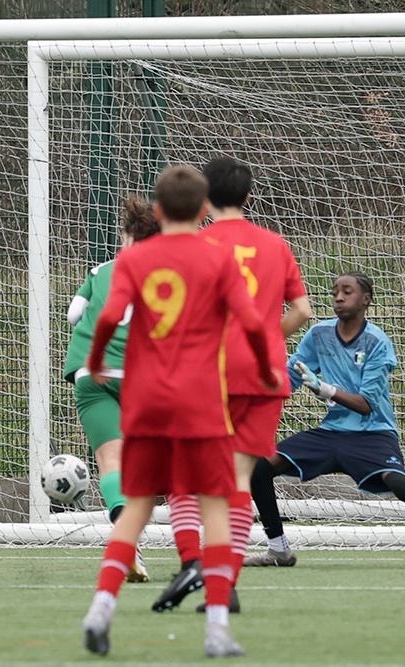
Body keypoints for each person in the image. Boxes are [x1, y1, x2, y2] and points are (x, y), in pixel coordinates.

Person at [80, 165, 281, 659]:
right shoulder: (216, 259)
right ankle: (215, 630)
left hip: (147, 403)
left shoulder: (134, 260)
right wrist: (265, 368)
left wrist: (96, 358)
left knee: (138, 510)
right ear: (202, 209)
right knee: (215, 505)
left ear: (160, 210)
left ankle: (100, 611)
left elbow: (107, 316)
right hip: (200, 403)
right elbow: (254, 322)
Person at [245, 271, 405, 570]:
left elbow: (366, 405)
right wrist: (255, 391)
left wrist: (325, 389)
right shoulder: (319, 334)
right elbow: (289, 378)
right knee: (258, 469)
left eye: (347, 291)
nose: (338, 297)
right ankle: (279, 551)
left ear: (366, 299)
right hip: (332, 433)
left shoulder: (377, 342)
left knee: (401, 486)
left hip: (373, 435)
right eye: (335, 291)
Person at [152, 156, 311, 614]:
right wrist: (261, 336)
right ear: (247, 197)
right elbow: (301, 310)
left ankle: (192, 563)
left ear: (204, 198)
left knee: (185, 476)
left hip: (207, 374)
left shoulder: (195, 244)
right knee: (239, 479)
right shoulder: (274, 244)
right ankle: (228, 581)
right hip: (262, 375)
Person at [62, 196, 160, 584]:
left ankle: (124, 538)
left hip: (91, 371)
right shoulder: (169, 273)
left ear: (127, 236)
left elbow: (73, 315)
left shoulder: (100, 270)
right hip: (141, 375)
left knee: (110, 461)